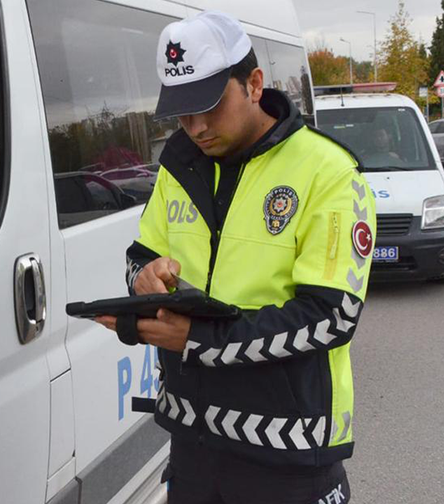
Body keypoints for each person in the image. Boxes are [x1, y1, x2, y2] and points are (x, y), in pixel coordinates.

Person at [96, 11, 375, 504]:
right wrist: (144, 278)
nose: (196, 127)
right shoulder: (179, 164)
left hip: (288, 452)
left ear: (254, 84)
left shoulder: (328, 170)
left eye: (209, 105)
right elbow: (141, 255)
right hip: (193, 446)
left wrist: (199, 338)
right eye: (181, 111)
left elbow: (333, 316)